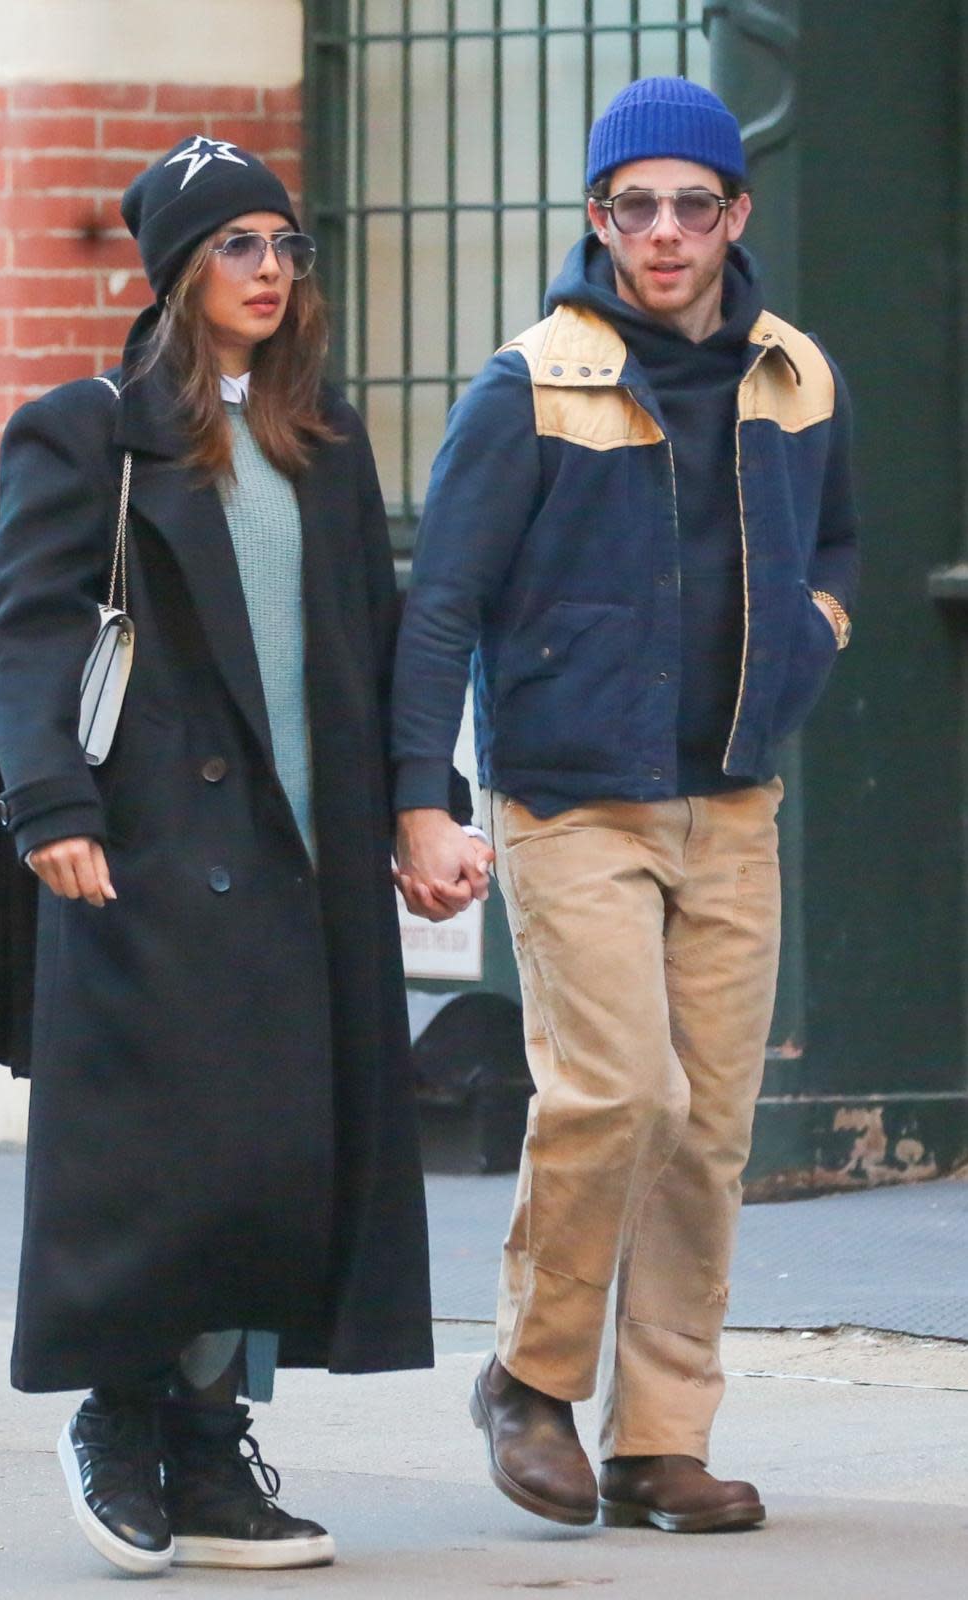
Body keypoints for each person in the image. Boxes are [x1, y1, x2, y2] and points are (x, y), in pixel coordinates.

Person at [0, 134, 472, 1577]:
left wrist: (424, 798)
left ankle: (214, 1448)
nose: (271, 271)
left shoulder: (325, 437)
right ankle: (120, 1419)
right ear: (177, 270)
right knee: (165, 1160)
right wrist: (52, 807)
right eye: (238, 246)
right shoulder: (83, 430)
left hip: (309, 859)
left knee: (278, 1158)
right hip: (153, 851)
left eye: (286, 247)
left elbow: (379, 638)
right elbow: (34, 626)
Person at [391, 77, 858, 1533]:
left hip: (731, 804)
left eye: (692, 203)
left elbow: (836, 541)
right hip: (571, 804)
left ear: (737, 213)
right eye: (632, 205)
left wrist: (810, 642)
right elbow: (440, 606)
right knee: (617, 1092)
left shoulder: (797, 374)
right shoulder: (529, 379)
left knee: (710, 1125)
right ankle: (531, 1381)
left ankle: (659, 1439)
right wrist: (422, 801)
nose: (663, 232)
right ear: (597, 218)